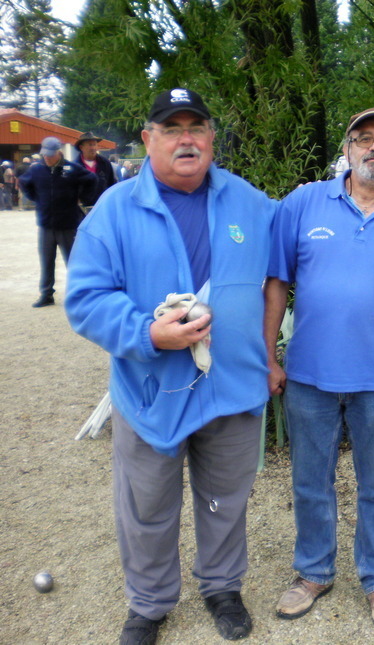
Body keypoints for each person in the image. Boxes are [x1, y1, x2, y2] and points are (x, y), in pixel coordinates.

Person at [65, 88, 276, 644]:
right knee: (147, 507)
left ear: (211, 137)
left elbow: (293, 259)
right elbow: (85, 298)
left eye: (197, 127)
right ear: (148, 138)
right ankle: (150, 603)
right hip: (150, 389)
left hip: (231, 387)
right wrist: (146, 332)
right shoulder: (115, 209)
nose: (187, 138)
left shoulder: (250, 202)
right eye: (172, 128)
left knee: (224, 499)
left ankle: (222, 587)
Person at [264, 107, 374, 635]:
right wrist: (266, 356)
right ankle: (313, 571)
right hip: (311, 378)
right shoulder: (302, 203)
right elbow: (275, 285)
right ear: (347, 148)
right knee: (310, 482)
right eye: (364, 138)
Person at [19, 137, 97, 308]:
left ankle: (80, 294)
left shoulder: (72, 168)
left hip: (68, 224)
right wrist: (37, 199)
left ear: (58, 152)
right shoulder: (37, 170)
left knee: (73, 262)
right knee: (46, 261)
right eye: (44, 155)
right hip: (46, 225)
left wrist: (84, 198)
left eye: (50, 155)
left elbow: (91, 179)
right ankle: (46, 294)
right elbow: (24, 183)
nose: (46, 158)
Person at [74, 131, 118, 206]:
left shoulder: (105, 163)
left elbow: (112, 185)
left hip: (102, 207)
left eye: (95, 145)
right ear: (81, 147)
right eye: (90, 145)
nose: (93, 148)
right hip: (82, 210)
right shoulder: (75, 166)